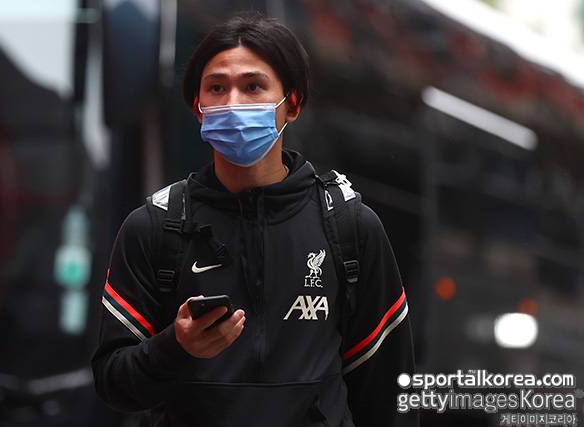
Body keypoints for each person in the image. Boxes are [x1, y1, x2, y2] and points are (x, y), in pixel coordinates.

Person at [92, 12, 417, 427]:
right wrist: (175, 347)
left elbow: (388, 396)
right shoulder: (154, 227)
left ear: (292, 104)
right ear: (197, 107)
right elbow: (112, 383)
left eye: (252, 86)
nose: (233, 103)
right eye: (216, 88)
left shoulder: (350, 227)